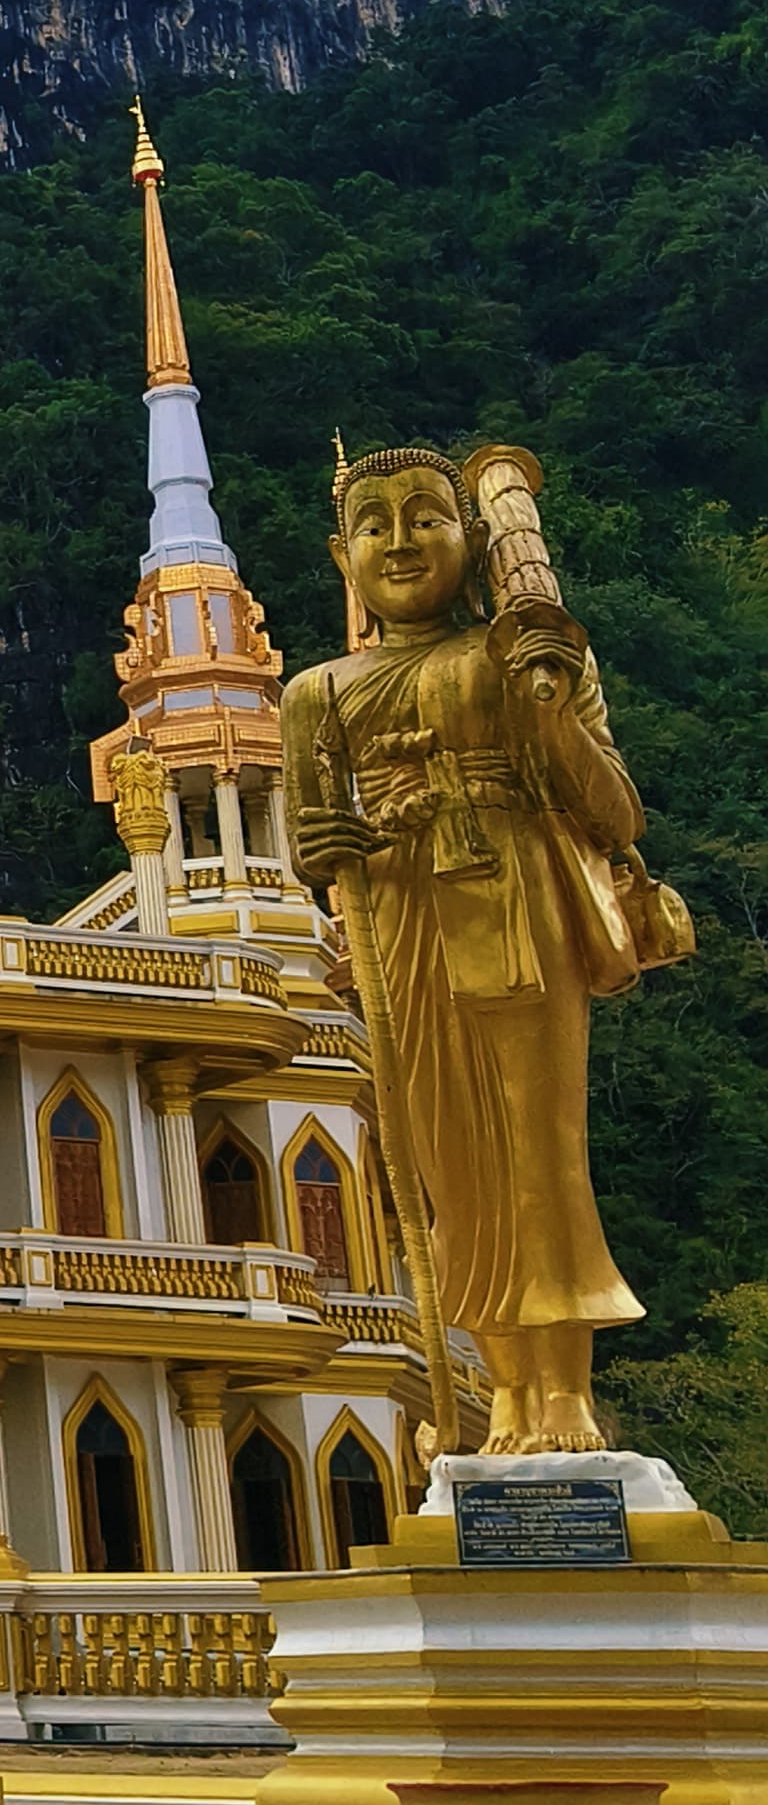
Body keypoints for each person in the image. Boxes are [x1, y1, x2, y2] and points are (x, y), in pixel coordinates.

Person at [286, 444, 655, 1456]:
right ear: (340, 554)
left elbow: (615, 810)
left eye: (425, 517)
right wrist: (327, 843)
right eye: (374, 523)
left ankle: (565, 1391)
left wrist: (548, 703)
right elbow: (311, 837)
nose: (399, 540)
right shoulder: (317, 692)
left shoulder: (519, 655)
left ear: (478, 538)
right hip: (403, 925)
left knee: (541, 1153)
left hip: (520, 900)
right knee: (453, 1171)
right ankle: (502, 1389)